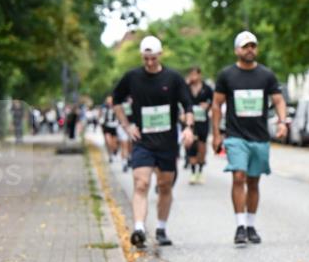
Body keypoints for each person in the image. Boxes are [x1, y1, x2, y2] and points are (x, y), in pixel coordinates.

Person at [112, 35, 195, 248]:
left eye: (153, 58)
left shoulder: (173, 79)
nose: (149, 63)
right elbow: (116, 100)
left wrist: (188, 128)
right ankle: (139, 228)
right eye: (145, 58)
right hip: (143, 141)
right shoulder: (132, 77)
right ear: (142, 56)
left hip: (167, 143)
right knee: (141, 183)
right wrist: (127, 125)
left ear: (160, 55)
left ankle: (161, 228)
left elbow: (187, 106)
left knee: (165, 185)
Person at [211, 31, 287, 245]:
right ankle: (240, 225)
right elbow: (216, 104)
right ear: (237, 50)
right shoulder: (227, 75)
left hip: (259, 137)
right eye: (245, 46)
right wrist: (216, 134)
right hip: (236, 136)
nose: (249, 49)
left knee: (253, 182)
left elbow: (279, 101)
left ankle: (251, 225)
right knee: (238, 177)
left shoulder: (266, 75)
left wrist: (282, 122)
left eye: (253, 46)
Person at [184, 67, 213, 184]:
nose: (193, 77)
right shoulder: (186, 88)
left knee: (201, 146)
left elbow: (215, 101)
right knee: (191, 145)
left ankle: (200, 171)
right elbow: (180, 101)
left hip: (202, 121)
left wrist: (208, 105)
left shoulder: (207, 88)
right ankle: (192, 172)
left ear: (200, 75)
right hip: (190, 122)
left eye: (195, 74)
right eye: (191, 74)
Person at [101, 95, 119, 162]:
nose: (109, 102)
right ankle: (110, 155)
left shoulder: (116, 108)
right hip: (107, 127)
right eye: (108, 101)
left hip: (114, 127)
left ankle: (115, 150)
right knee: (108, 142)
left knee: (114, 143)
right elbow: (101, 117)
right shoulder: (104, 108)